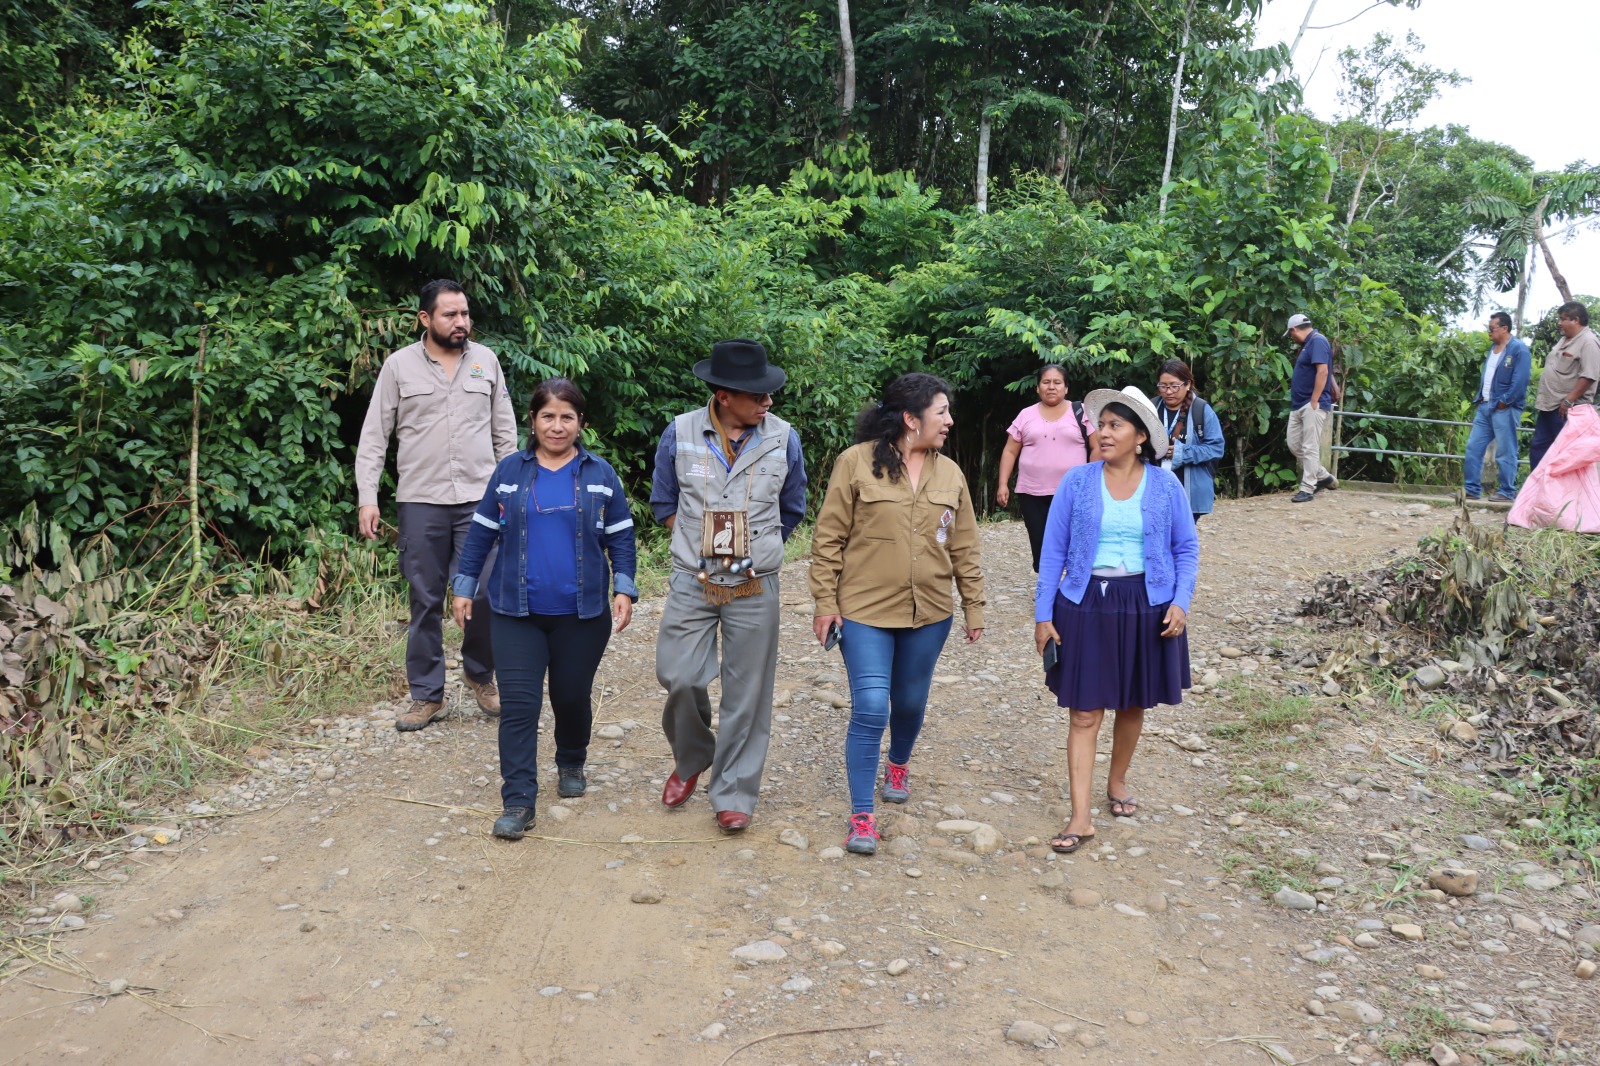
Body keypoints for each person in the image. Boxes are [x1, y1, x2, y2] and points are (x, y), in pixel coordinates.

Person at [450, 379, 638, 840]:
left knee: (570, 695)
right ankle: (518, 801)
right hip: (515, 613)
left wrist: (624, 587)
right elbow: (480, 532)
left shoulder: (600, 474)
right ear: (532, 421)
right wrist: (464, 585)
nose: (557, 426)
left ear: (581, 423)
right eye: (548, 416)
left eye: (567, 417)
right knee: (519, 706)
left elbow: (621, 535)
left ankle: (571, 759)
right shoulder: (510, 471)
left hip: (582, 614)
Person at [810, 373, 986, 855]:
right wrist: (825, 602)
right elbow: (828, 538)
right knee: (870, 706)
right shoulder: (854, 463)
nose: (949, 421)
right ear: (911, 419)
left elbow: (965, 546)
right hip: (863, 610)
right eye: (941, 412)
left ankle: (899, 764)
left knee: (909, 702)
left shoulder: (950, 474)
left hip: (929, 612)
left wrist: (973, 606)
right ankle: (862, 816)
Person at [650, 340, 808, 832]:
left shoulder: (784, 438)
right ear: (723, 396)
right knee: (679, 675)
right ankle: (693, 755)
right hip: (692, 579)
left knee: (748, 691)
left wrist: (756, 549)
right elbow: (663, 502)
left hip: (755, 585)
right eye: (758, 395)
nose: (768, 402)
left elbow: (793, 507)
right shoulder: (679, 433)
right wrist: (701, 544)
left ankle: (734, 792)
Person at [1032, 386, 1198, 854]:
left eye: (1115, 426)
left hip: (1147, 602)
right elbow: (1053, 551)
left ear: (1140, 437)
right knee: (1085, 711)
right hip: (1084, 602)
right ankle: (1080, 817)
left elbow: (1186, 548)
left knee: (1132, 703)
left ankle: (1118, 779)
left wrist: (1180, 601)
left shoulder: (1166, 486)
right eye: (1100, 425)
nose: (1103, 433)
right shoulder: (1077, 482)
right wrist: (1043, 614)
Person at [355, 279, 517, 731]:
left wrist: (512, 493)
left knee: (485, 592)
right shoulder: (398, 366)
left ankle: (480, 673)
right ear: (425, 319)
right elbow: (374, 436)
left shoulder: (486, 362)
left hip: (480, 500)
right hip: (420, 500)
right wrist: (368, 497)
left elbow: (505, 433)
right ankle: (427, 694)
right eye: (450, 315)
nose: (461, 322)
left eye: (464, 313)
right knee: (425, 599)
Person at [996, 365, 1097, 571]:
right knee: (1040, 543)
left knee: (1074, 543)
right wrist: (1002, 484)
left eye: (1057, 382)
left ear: (1066, 388)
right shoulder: (1025, 415)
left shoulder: (1081, 412)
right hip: (1031, 493)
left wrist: (1092, 482)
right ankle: (1047, 585)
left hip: (1073, 492)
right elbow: (1010, 451)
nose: (1051, 387)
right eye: (1046, 382)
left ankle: (1073, 585)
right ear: (1037, 388)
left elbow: (1097, 448)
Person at [1463, 312, 1532, 501]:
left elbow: (1521, 380)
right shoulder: (1492, 349)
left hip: (1504, 408)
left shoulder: (1519, 349)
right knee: (1473, 447)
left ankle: (1507, 491)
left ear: (1504, 328)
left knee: (1505, 451)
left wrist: (1505, 401)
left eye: (1492, 328)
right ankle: (1471, 489)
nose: (1489, 332)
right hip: (1485, 406)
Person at [1529, 301, 1600, 472]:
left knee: (1565, 457)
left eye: (1563, 319)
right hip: (1549, 406)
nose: (1559, 323)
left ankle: (1564, 491)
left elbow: (1589, 376)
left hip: (1568, 410)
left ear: (1576, 320)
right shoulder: (1563, 339)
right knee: (1539, 452)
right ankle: (1539, 488)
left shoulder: (1589, 342)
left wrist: (1569, 400)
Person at [1154, 359, 1225, 523]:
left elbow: (1216, 448)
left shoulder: (1201, 410)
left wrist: (1182, 452)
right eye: (1163, 386)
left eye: (1174, 386)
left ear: (1188, 384)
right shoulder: (1152, 407)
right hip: (1156, 489)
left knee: (1181, 535)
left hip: (1189, 492)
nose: (1168, 391)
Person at [1283, 313, 1337, 503]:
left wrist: (1314, 400)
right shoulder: (1308, 344)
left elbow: (1322, 371)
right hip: (1299, 404)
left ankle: (1307, 488)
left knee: (1310, 446)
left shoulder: (1318, 341)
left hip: (1312, 403)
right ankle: (1323, 476)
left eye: (1291, 334)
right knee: (1294, 444)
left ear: (1294, 330)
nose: (1292, 338)